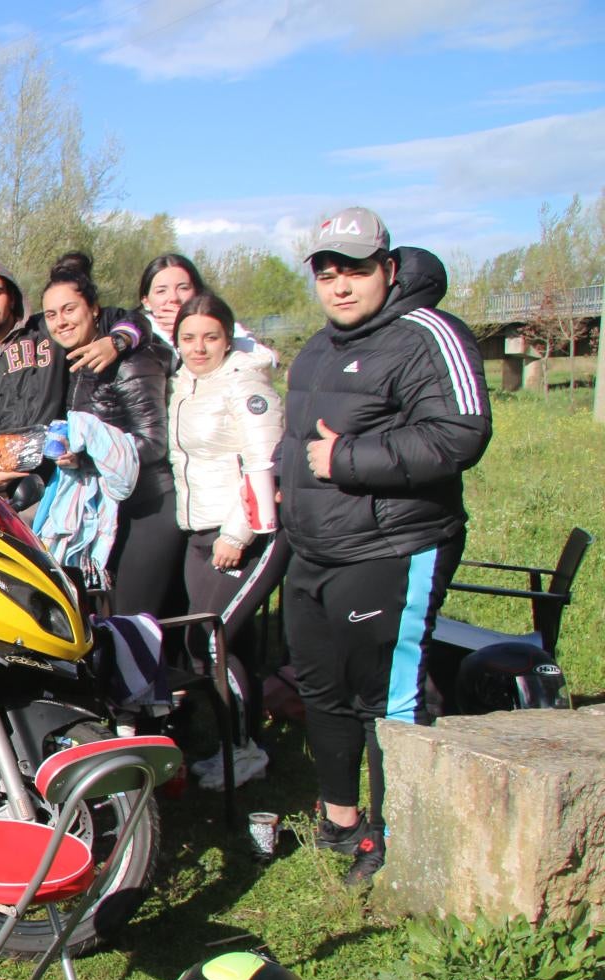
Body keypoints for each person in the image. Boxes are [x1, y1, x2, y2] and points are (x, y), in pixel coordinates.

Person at [280, 207, 491, 883]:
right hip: (313, 550)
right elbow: (298, 444)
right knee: (321, 687)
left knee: (388, 696)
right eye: (328, 272)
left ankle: (400, 838)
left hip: (392, 547)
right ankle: (342, 821)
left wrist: (346, 461)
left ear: (389, 268)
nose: (340, 286)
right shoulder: (318, 346)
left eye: (356, 270)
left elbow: (460, 434)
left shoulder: (429, 334)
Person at [167, 292, 288, 790]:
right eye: (188, 338)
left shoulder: (245, 386)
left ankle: (243, 751)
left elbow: (265, 465)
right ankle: (227, 742)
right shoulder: (184, 384)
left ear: (228, 337)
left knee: (212, 642)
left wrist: (237, 532)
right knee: (213, 645)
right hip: (199, 530)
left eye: (210, 337)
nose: (199, 347)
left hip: (240, 533)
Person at [0, 259, 147, 507]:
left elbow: (127, 318)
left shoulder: (47, 330)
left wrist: (117, 341)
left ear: (12, 297)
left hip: (60, 485)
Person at [42, 252, 178, 617]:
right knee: (102, 622)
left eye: (69, 310)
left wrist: (86, 456)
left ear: (95, 310)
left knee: (134, 624)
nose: (61, 322)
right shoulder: (73, 362)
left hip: (144, 508)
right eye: (52, 315)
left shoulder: (131, 361)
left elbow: (152, 442)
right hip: (103, 511)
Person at [139, 253, 277, 371]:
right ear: (146, 301)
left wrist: (192, 327)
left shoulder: (222, 325)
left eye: (183, 288)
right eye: (161, 291)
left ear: (197, 292)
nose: (174, 298)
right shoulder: (136, 333)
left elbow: (268, 360)